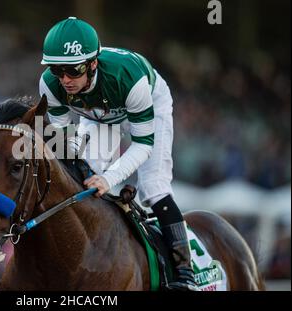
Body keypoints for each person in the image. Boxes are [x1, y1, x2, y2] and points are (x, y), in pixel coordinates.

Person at [39, 17, 198, 291]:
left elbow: (143, 144)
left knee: (153, 186)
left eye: (73, 70)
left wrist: (110, 178)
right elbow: (62, 146)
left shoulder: (127, 78)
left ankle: (186, 274)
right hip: (98, 114)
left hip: (145, 102)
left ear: (92, 64)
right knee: (84, 180)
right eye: (56, 69)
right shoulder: (49, 85)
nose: (65, 79)